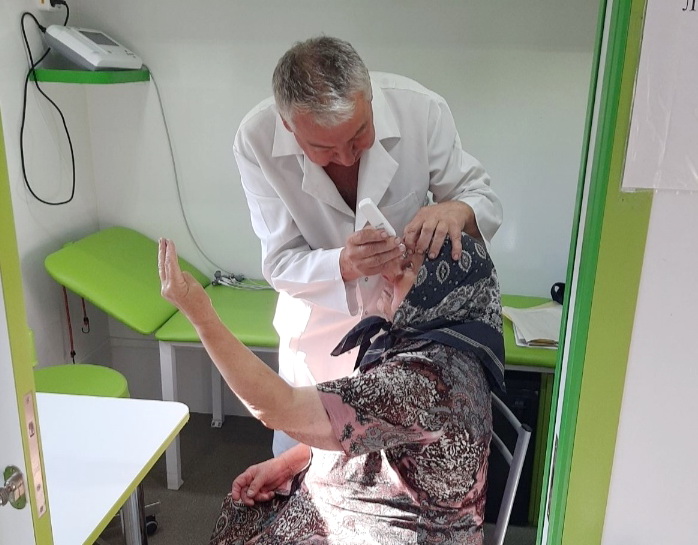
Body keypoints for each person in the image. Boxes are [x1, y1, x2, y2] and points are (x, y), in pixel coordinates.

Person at [234, 36, 503, 454]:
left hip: (408, 341)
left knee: (390, 468)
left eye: (359, 135)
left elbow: (481, 198)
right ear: (289, 127)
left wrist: (457, 210)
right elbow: (280, 262)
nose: (346, 157)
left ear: (370, 98)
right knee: (304, 459)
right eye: (324, 148)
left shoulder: (421, 111)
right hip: (321, 337)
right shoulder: (256, 139)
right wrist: (343, 264)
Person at [158, 232, 505, 545]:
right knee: (247, 512)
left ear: (441, 290)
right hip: (370, 507)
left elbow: (278, 407)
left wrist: (201, 315)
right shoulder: (443, 349)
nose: (387, 274)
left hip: (395, 530)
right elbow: (375, 431)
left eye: (408, 268)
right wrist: (294, 461)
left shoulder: (424, 380)